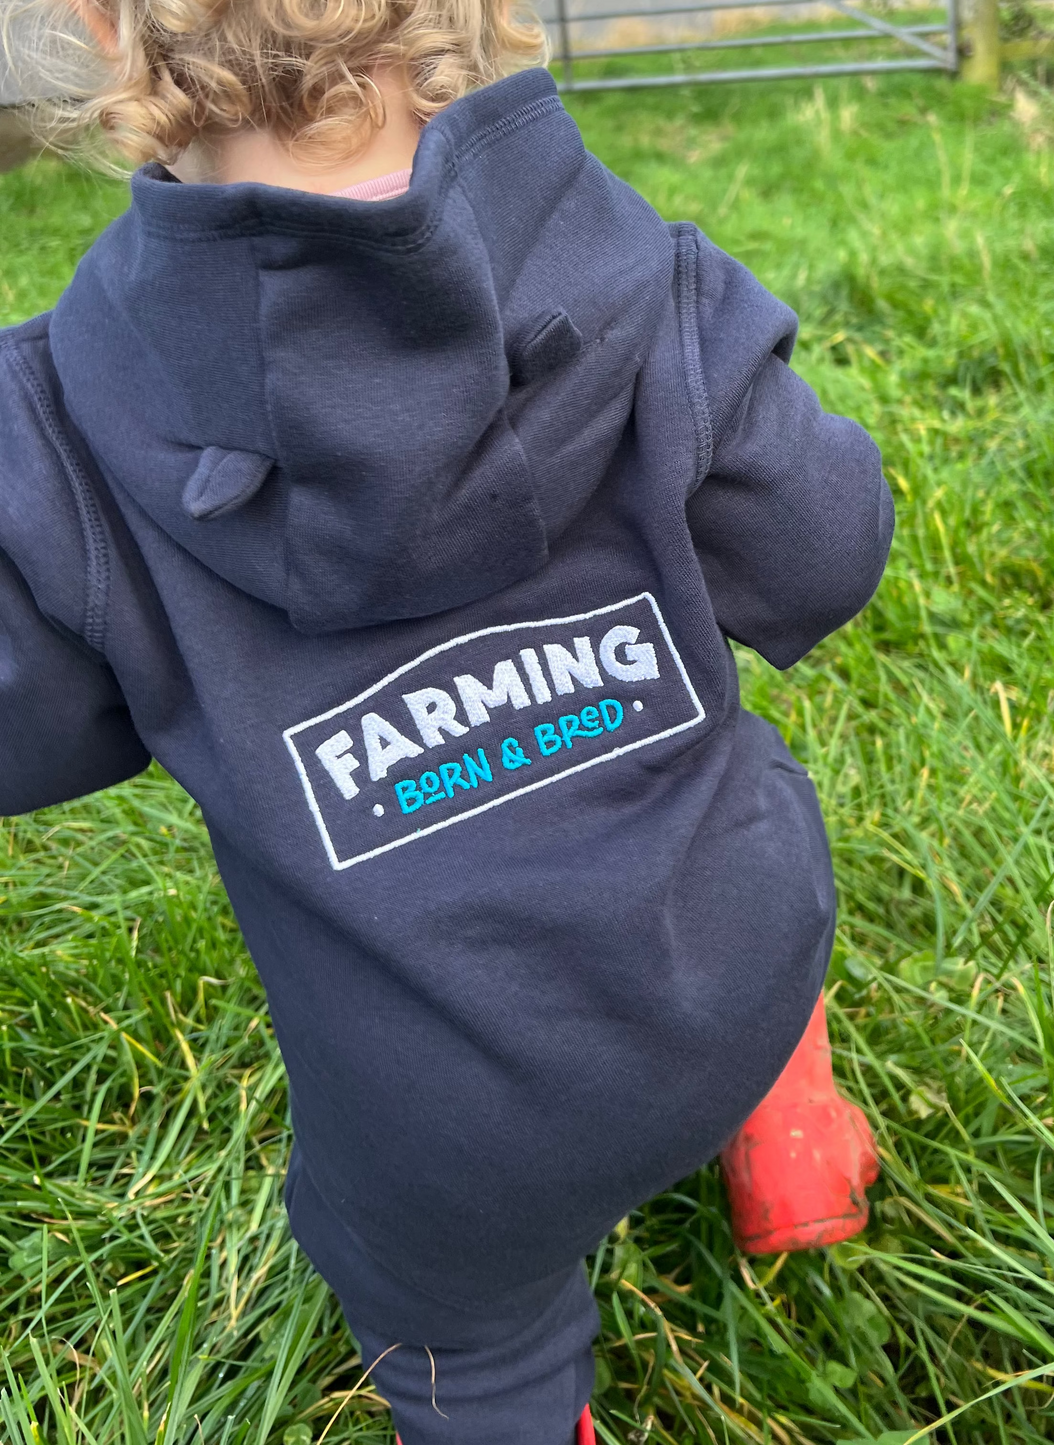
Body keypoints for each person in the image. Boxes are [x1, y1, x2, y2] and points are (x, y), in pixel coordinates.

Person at [0, 1, 893, 1439]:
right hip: (738, 952)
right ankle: (785, 1125)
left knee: (466, 1349)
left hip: (456, 1122)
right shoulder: (641, 282)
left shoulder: (49, 431)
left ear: (107, 28)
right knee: (752, 795)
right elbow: (826, 544)